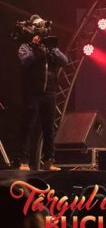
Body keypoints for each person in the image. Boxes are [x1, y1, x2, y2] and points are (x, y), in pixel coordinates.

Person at [18, 14, 69, 170]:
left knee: (48, 127)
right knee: (28, 126)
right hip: (32, 92)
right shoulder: (26, 46)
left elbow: (65, 61)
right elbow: (25, 61)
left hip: (50, 93)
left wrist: (52, 49)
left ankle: (49, 161)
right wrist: (35, 47)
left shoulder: (50, 47)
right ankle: (23, 161)